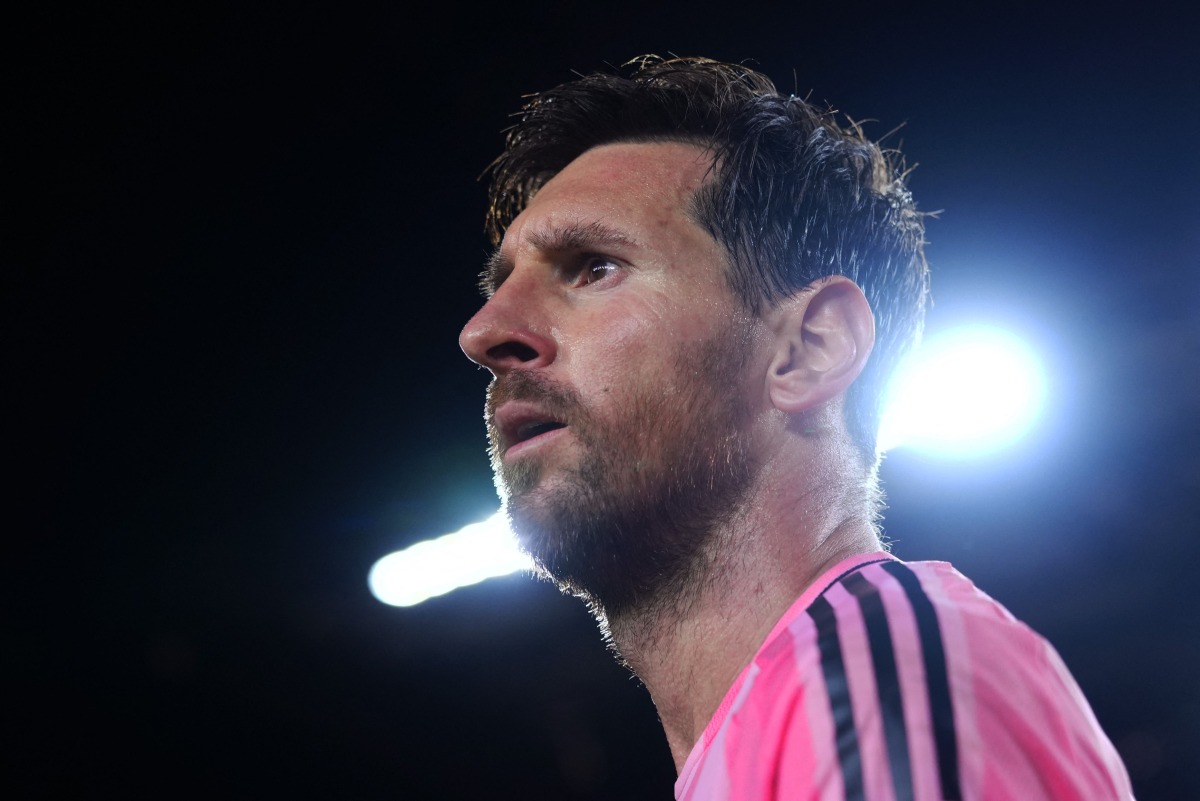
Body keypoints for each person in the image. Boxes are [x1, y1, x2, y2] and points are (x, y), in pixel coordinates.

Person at [458, 55, 1134, 800]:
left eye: (594, 267)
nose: (483, 331)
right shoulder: (814, 709)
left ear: (810, 349)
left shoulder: (881, 674)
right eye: (501, 285)